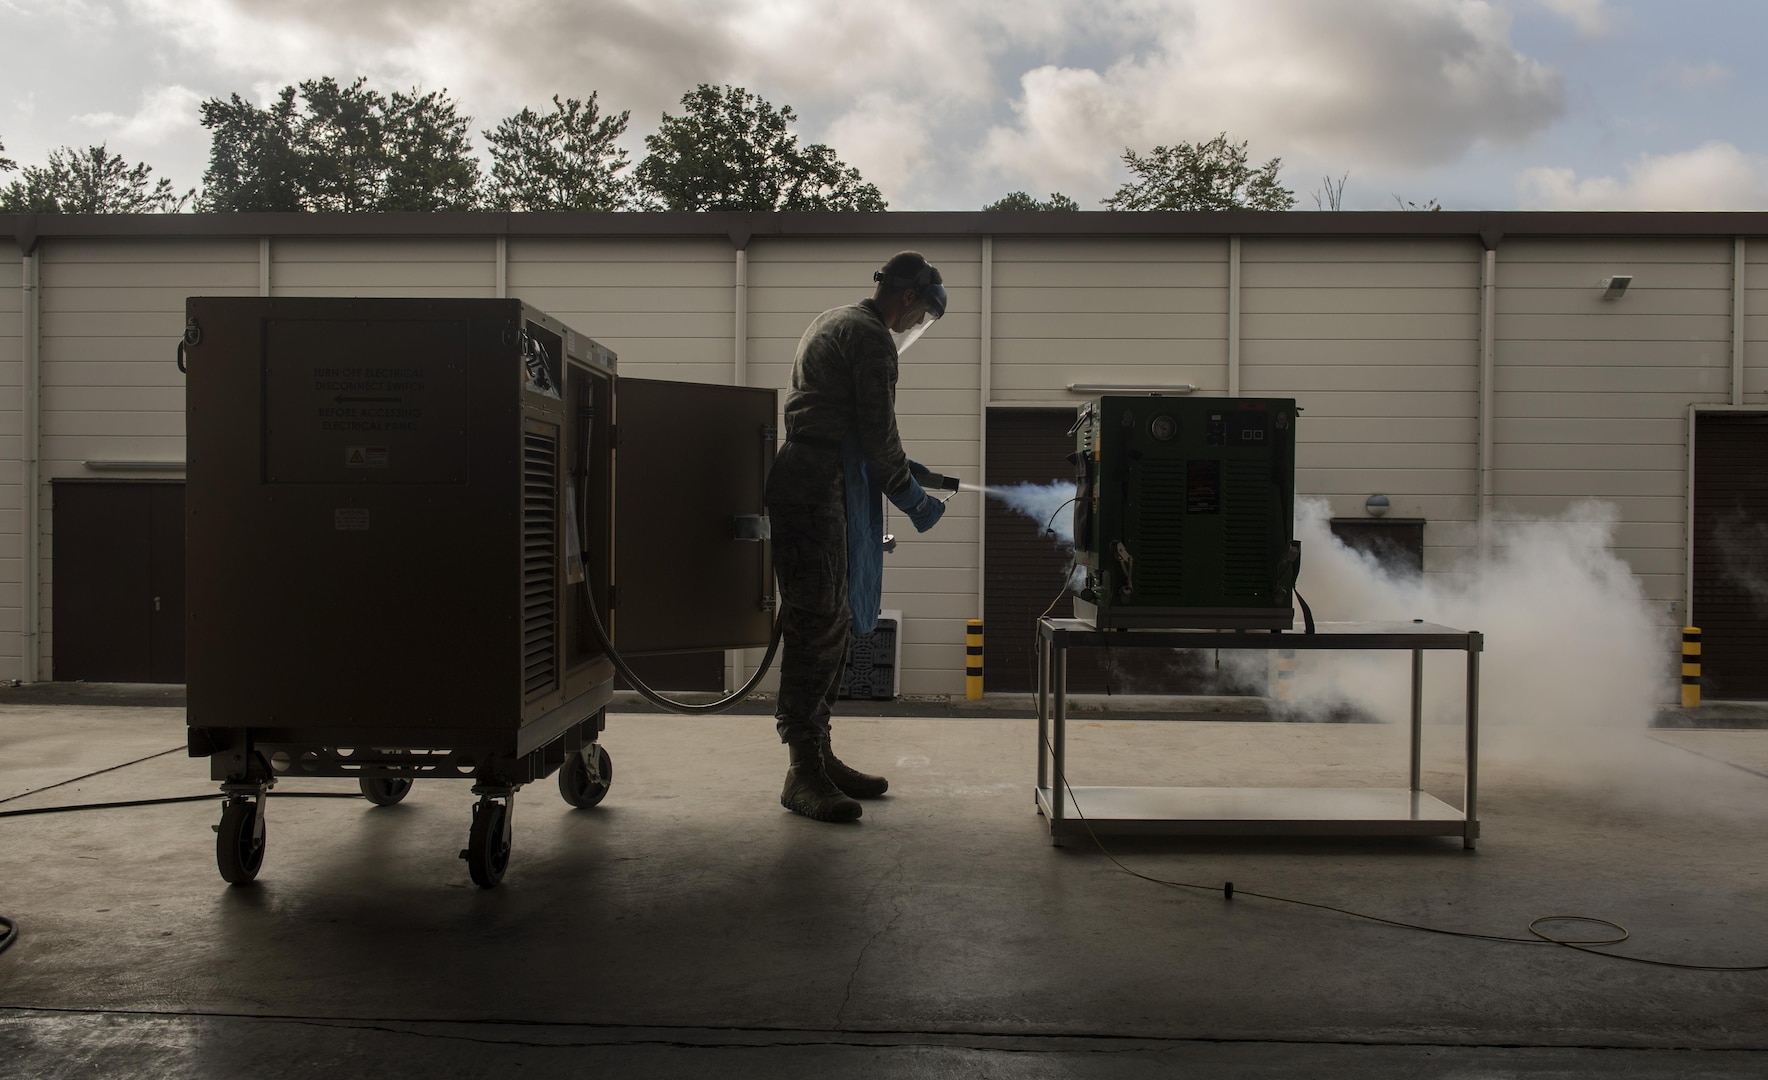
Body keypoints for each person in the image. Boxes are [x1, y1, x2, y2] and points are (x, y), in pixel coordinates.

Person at [765, 251, 949, 823]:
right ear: (907, 297)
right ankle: (803, 772)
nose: (914, 327)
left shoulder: (834, 318)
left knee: (831, 623)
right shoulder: (871, 338)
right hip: (819, 489)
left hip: (814, 477)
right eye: (919, 317)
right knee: (818, 627)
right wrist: (917, 501)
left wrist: (902, 468)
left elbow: (846, 422)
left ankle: (818, 753)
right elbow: (878, 436)